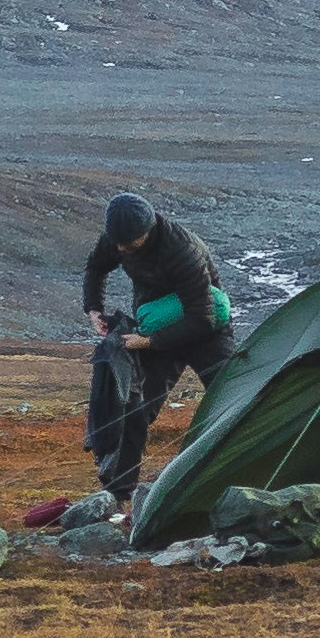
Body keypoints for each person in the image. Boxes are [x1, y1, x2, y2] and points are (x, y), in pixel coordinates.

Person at [77, 190, 235, 503]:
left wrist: (148, 341)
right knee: (135, 407)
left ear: (147, 231)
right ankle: (117, 495)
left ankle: (238, 480)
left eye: (129, 243)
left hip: (206, 333)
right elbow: (95, 267)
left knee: (233, 401)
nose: (121, 249)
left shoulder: (181, 249)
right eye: (117, 242)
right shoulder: (119, 236)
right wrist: (93, 308)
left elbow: (202, 317)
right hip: (156, 327)